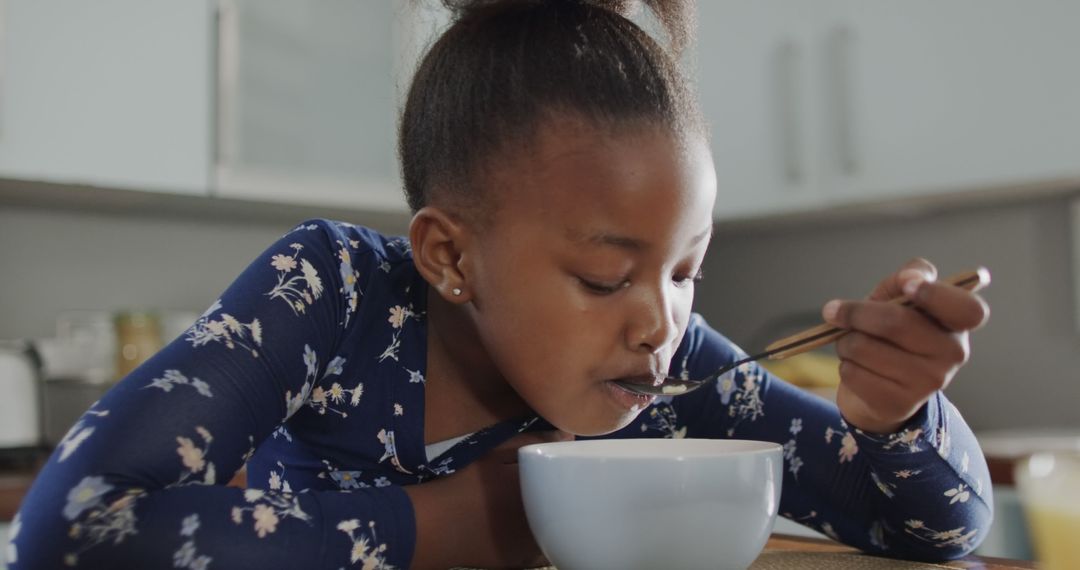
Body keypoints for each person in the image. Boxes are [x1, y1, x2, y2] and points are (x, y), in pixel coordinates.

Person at [8, 1, 993, 568]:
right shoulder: (339, 293)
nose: (660, 320)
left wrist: (894, 416)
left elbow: (932, 528)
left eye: (687, 269)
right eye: (607, 274)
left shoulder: (668, 372)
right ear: (449, 257)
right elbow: (67, 532)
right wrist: (468, 521)